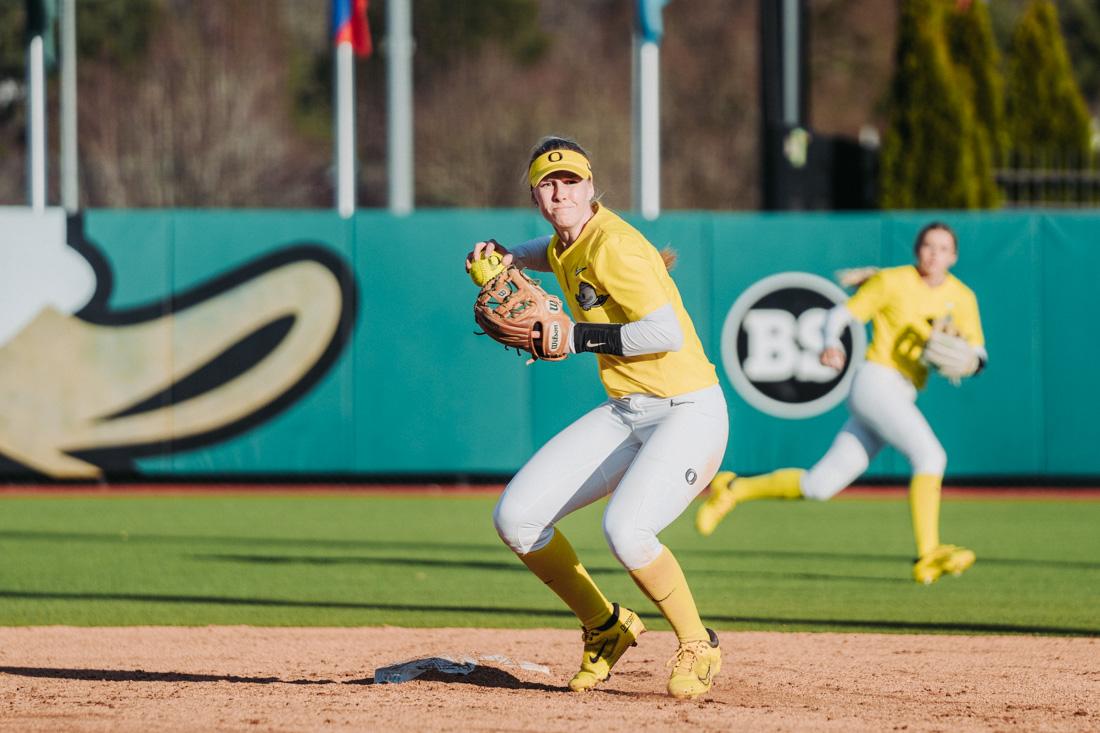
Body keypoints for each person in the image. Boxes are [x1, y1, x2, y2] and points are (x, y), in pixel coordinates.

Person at [466, 136, 727, 699]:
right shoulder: (569, 241)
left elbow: (666, 333)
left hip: (688, 410)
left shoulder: (616, 247)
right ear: (536, 194)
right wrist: (508, 255)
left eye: (570, 181)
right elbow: (550, 251)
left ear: (591, 187)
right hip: (629, 410)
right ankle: (606, 626)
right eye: (547, 183)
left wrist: (578, 335)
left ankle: (698, 643)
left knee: (626, 531)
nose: (560, 192)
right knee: (516, 519)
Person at [695, 222, 987, 585]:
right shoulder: (892, 282)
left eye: (943, 249)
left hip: (903, 391)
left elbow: (978, 352)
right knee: (931, 456)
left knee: (820, 486)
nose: (934, 254)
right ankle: (928, 553)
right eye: (929, 246)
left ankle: (734, 488)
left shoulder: (962, 297)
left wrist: (972, 361)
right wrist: (829, 343)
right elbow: (838, 316)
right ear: (917, 250)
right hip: (875, 383)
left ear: (954, 256)